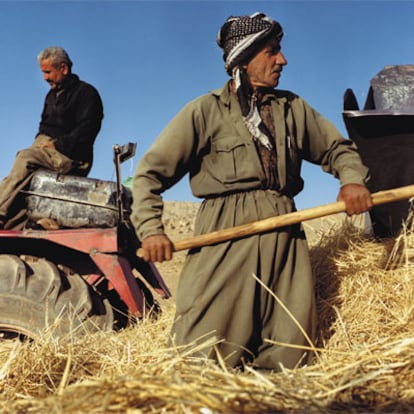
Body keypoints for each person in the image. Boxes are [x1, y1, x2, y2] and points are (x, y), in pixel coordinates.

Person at [131, 13, 373, 371]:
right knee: (204, 350)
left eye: (280, 50)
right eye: (272, 52)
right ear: (243, 60)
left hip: (286, 234)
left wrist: (351, 180)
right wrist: (151, 229)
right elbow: (149, 174)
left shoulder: (293, 108)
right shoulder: (205, 111)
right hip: (226, 235)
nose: (282, 60)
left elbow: (338, 150)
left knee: (290, 349)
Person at [0, 46, 103, 229]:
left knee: (25, 157)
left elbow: (87, 130)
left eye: (48, 72)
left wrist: (57, 145)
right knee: (24, 185)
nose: (45, 78)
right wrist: (39, 144)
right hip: (49, 152)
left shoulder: (86, 93)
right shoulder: (51, 96)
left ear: (63, 68)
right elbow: (44, 126)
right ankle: (20, 226)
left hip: (72, 157)